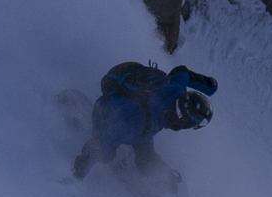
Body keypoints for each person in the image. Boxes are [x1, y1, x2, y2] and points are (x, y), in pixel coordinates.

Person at [75, 61, 218, 181]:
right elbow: (103, 142)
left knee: (147, 154)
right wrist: (79, 171)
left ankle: (160, 178)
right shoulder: (136, 121)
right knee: (107, 155)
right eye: (182, 118)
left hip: (139, 118)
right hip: (106, 111)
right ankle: (83, 114)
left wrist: (209, 86)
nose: (178, 119)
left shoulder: (177, 89)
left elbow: (182, 72)